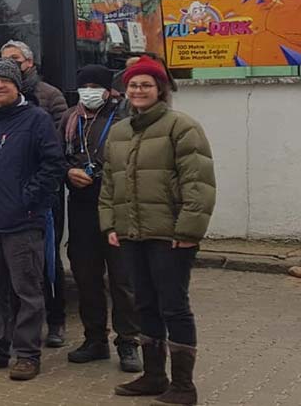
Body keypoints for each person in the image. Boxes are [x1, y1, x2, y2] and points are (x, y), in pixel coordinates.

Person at [101, 56, 215, 405]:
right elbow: (109, 184)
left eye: (146, 85)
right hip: (131, 234)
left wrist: (188, 231)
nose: (138, 90)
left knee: (173, 306)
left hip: (170, 236)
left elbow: (198, 183)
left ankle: (183, 386)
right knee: (144, 304)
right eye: (133, 85)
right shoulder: (119, 132)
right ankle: (153, 376)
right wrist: (110, 224)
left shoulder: (182, 127)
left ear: (160, 89)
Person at [0, 59, 64, 381]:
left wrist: (27, 199)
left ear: (18, 86)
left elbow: (53, 165)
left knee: (26, 291)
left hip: (22, 223)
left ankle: (28, 354)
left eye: (6, 81)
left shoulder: (36, 119)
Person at [64, 64, 141, 373]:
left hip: (119, 206)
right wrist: (67, 172)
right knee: (86, 277)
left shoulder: (126, 118)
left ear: (109, 90)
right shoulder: (69, 119)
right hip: (81, 207)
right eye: (84, 86)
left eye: (96, 86)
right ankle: (94, 339)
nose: (89, 92)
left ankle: (128, 343)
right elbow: (54, 156)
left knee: (123, 279)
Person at [1, 39, 68, 347]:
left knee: (48, 259)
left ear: (29, 63)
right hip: (10, 195)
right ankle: (22, 323)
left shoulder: (50, 96)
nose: (11, 66)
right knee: (17, 262)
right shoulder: (0, 99)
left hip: (43, 192)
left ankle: (56, 321)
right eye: (4, 61)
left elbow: (55, 145)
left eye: (15, 60)